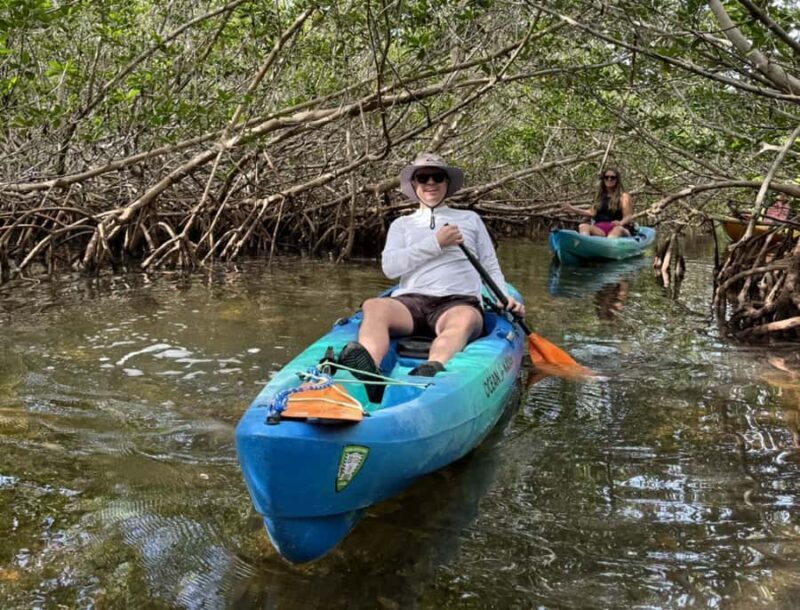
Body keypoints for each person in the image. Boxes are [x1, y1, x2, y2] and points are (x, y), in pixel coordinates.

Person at [336, 152, 524, 402]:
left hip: (458, 302)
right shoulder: (402, 224)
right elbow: (390, 268)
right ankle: (369, 370)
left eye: (437, 177)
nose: (431, 182)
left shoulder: (470, 219)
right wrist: (436, 243)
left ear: (447, 183)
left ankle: (432, 366)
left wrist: (504, 297)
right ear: (414, 185)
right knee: (374, 305)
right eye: (423, 177)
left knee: (464, 319)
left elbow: (489, 264)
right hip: (411, 302)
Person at [562, 169, 634, 238]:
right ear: (603, 180)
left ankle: (608, 245)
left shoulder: (624, 197)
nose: (609, 179)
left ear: (617, 180)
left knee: (617, 230)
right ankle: (585, 245)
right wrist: (572, 209)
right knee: (583, 226)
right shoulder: (600, 197)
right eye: (606, 177)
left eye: (613, 177)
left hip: (617, 228)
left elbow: (628, 216)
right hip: (600, 229)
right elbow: (591, 212)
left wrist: (620, 223)